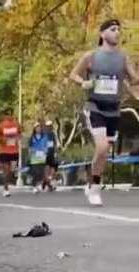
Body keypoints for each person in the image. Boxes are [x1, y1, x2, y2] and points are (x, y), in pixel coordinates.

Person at [70, 19, 139, 206]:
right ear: (102, 34)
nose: (117, 32)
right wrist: (83, 82)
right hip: (95, 107)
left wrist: (132, 82)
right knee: (101, 147)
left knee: (103, 153)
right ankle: (95, 188)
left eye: (119, 29)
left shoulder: (123, 58)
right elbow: (73, 74)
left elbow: (134, 78)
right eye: (113, 29)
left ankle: (92, 178)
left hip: (113, 110)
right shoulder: (91, 56)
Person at [0, 108, 21, 197]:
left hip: (14, 151)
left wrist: (18, 138)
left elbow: (20, 134)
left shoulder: (16, 124)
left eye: (11, 114)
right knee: (6, 170)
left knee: (12, 170)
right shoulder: (1, 126)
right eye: (8, 114)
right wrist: (3, 140)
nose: (9, 116)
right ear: (5, 115)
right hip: (4, 151)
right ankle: (5, 189)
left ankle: (7, 184)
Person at [28, 122, 48, 193]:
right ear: (34, 129)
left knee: (41, 173)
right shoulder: (32, 138)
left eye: (39, 127)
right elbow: (30, 148)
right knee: (36, 172)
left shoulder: (44, 137)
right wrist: (30, 155)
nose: (38, 129)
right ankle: (34, 186)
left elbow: (46, 146)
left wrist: (46, 152)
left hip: (42, 157)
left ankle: (38, 185)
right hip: (34, 158)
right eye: (37, 127)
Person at [44, 120, 58, 191]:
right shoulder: (43, 134)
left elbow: (55, 144)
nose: (49, 127)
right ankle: (48, 185)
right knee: (47, 170)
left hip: (52, 154)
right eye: (48, 126)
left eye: (50, 126)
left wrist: (55, 152)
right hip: (45, 155)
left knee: (53, 170)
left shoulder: (52, 134)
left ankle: (50, 182)